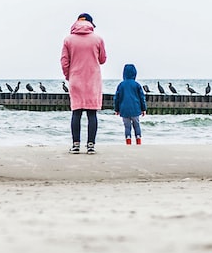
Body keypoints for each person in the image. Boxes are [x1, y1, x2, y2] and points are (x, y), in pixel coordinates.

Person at [60, 12, 106, 154]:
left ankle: (75, 145)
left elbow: (64, 61)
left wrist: (69, 76)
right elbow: (103, 59)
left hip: (75, 79)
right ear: (91, 24)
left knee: (76, 113)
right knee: (92, 114)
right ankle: (91, 145)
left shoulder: (68, 40)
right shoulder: (98, 39)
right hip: (93, 79)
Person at [113, 63, 147, 145]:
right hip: (135, 109)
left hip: (124, 109)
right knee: (136, 125)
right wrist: (143, 109)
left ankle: (128, 140)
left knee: (127, 126)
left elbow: (117, 98)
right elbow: (142, 98)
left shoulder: (121, 85)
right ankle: (138, 140)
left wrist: (116, 109)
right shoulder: (137, 85)